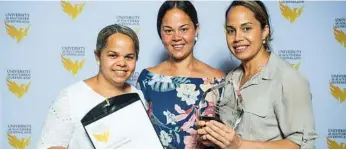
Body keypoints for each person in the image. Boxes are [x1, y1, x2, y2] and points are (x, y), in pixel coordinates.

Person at [196, 0, 318, 149]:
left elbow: (301, 145)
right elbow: (232, 138)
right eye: (231, 30)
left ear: (264, 31)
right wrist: (215, 137)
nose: (237, 38)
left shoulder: (288, 79)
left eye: (246, 28)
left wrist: (240, 145)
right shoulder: (231, 79)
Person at [37, 24, 146, 149]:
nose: (122, 63)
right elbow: (48, 146)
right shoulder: (70, 98)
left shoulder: (138, 96)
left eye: (129, 57)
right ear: (98, 56)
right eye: (113, 55)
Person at [136, 0, 225, 149]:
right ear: (160, 33)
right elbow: (137, 133)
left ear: (196, 29)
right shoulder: (147, 79)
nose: (176, 37)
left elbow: (231, 136)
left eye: (183, 29)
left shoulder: (218, 80)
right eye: (168, 31)